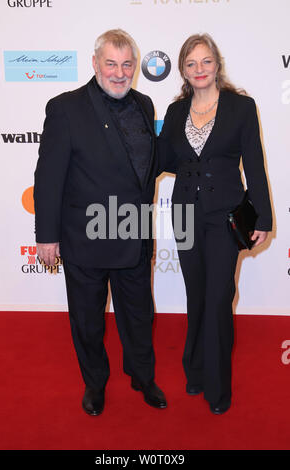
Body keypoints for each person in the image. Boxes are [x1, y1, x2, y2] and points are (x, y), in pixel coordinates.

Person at [34, 29, 167, 416]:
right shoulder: (65, 108)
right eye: (111, 63)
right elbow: (49, 177)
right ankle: (95, 384)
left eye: (127, 64)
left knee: (140, 315)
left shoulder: (144, 103)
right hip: (85, 238)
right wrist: (47, 235)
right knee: (89, 321)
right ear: (95, 64)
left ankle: (143, 376)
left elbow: (145, 167)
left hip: (134, 233)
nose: (120, 72)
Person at [158, 33, 272, 414]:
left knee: (219, 297)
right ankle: (194, 371)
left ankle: (218, 388)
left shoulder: (241, 107)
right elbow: (162, 159)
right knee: (197, 295)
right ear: (183, 71)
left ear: (217, 64)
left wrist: (264, 216)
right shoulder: (176, 112)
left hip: (225, 216)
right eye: (191, 64)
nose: (199, 69)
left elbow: (253, 163)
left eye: (205, 61)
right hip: (186, 215)